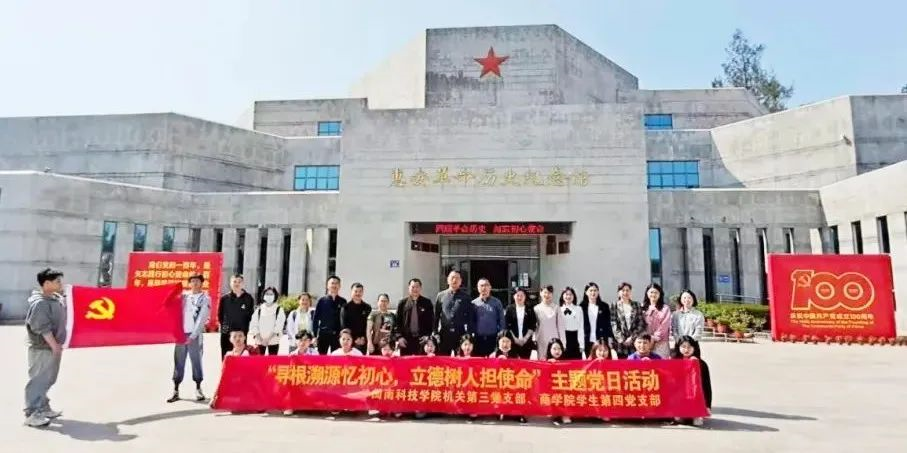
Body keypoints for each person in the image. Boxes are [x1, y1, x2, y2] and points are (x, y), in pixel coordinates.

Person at [23, 268, 66, 428]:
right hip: (42, 348)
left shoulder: (54, 299)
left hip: (53, 347)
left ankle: (43, 407)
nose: (61, 284)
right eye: (57, 282)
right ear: (47, 284)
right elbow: (42, 327)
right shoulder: (40, 303)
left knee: (48, 379)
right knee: (38, 380)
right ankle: (32, 413)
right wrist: (54, 345)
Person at [168, 274, 211, 403]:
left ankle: (198, 388)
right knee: (178, 361)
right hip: (181, 334)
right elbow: (170, 306)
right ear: (189, 283)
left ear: (201, 283)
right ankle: (176, 389)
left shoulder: (205, 298)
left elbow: (202, 317)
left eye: (197, 281)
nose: (195, 283)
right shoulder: (184, 296)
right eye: (192, 281)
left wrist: (193, 335)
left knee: (196, 361)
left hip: (194, 335)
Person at [672, 335, 711, 426]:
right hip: (680, 396)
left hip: (695, 395)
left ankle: (697, 414)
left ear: (694, 348)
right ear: (678, 348)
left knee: (697, 422)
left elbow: (707, 386)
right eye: (683, 347)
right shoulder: (674, 362)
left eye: (689, 347)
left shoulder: (702, 364)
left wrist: (707, 406)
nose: (686, 349)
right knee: (679, 419)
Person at [435, 271, 476, 356]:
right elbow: (436, 316)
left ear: (460, 281)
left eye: (457, 278)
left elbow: (470, 317)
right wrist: (435, 332)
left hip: (460, 334)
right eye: (452, 278)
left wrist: (469, 333)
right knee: (443, 359)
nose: (454, 280)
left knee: (460, 359)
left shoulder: (466, 297)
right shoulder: (440, 296)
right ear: (448, 280)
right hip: (444, 334)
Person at [217, 274, 255, 359]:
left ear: (243, 284)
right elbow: (220, 315)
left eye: (239, 282)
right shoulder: (224, 298)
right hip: (227, 332)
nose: (237, 284)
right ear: (230, 283)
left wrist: (245, 329)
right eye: (234, 281)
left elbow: (250, 315)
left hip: (241, 333)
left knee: (241, 356)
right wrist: (225, 327)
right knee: (226, 356)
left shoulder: (248, 298)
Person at [396, 278, 435, 356]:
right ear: (409, 288)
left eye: (417, 287)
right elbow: (397, 322)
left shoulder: (427, 303)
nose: (415, 289)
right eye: (413, 287)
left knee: (421, 362)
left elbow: (431, 321)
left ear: (420, 288)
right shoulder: (402, 303)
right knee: (406, 362)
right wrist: (399, 337)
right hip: (406, 340)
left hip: (422, 339)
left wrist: (427, 336)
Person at [610, 282, 647, 358]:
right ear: (618, 293)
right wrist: (622, 339)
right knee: (621, 364)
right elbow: (613, 324)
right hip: (620, 344)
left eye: (627, 290)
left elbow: (640, 323)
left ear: (630, 292)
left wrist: (632, 338)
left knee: (635, 363)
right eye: (623, 290)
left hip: (635, 342)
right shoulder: (614, 305)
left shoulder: (636, 305)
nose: (625, 292)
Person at [314, 276, 346, 355]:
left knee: (336, 358)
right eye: (332, 283)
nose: (334, 285)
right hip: (323, 334)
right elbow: (316, 319)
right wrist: (314, 335)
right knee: (321, 357)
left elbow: (345, 319)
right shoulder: (322, 301)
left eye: (336, 283)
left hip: (337, 335)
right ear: (327, 286)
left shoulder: (343, 301)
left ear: (339, 286)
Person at [472, 278, 505, 357]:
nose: (484, 288)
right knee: (479, 362)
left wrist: (502, 336)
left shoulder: (497, 302)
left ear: (490, 287)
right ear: (478, 288)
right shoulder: (473, 303)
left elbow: (501, 320)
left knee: (493, 362)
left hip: (493, 338)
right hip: (478, 339)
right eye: (481, 285)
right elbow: (471, 321)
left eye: (486, 285)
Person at [248, 286, 286, 355]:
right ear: (263, 296)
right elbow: (254, 325)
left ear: (275, 296)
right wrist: (261, 339)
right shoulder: (259, 309)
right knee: (259, 360)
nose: (269, 296)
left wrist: (267, 339)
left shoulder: (279, 310)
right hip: (260, 341)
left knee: (272, 361)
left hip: (273, 340)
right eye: (267, 294)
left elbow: (278, 326)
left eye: (271, 294)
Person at [580, 282, 614, 357]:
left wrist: (610, 339)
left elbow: (608, 324)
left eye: (595, 290)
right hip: (587, 340)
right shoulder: (581, 307)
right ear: (586, 292)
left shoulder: (604, 306)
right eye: (591, 290)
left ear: (598, 292)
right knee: (589, 361)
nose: (593, 293)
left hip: (601, 340)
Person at [534, 285, 566, 360]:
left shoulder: (556, 308)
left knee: (554, 361)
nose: (547, 295)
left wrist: (563, 342)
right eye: (545, 292)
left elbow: (560, 327)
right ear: (540, 293)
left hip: (554, 340)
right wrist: (534, 339)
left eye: (549, 293)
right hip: (541, 339)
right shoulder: (536, 308)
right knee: (542, 361)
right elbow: (534, 326)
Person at [504, 287, 537, 359]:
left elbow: (532, 325)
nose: (519, 297)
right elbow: (507, 326)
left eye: (522, 295)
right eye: (517, 295)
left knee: (525, 362)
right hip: (513, 342)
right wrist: (515, 339)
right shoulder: (509, 309)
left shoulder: (530, 309)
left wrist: (525, 339)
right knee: (513, 362)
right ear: (514, 296)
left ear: (525, 297)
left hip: (527, 342)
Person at [642, 283, 672, 358]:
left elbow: (664, 326)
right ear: (647, 293)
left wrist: (653, 338)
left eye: (656, 292)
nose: (653, 294)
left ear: (660, 294)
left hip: (661, 343)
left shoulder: (665, 308)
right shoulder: (642, 307)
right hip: (645, 342)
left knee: (660, 363)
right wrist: (647, 339)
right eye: (651, 292)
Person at [545, 338, 570, 425]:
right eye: (554, 349)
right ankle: (557, 414)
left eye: (559, 348)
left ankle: (564, 414)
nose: (557, 351)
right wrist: (549, 364)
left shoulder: (566, 361)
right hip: (551, 389)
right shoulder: (545, 362)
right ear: (549, 350)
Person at [342, 282, 372, 355]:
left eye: (360, 291)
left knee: (361, 361)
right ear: (351, 292)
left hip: (363, 341)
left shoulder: (367, 307)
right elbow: (344, 325)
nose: (358, 293)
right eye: (355, 291)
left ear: (363, 292)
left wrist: (363, 338)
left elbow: (369, 326)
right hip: (349, 341)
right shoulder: (345, 307)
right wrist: (354, 338)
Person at [559, 287, 584, 359]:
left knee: (576, 361)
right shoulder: (559, 309)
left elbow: (581, 327)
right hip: (563, 336)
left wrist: (581, 344)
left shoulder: (579, 309)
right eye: (566, 294)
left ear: (574, 296)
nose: (568, 296)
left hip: (575, 337)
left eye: (570, 294)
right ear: (562, 296)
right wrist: (562, 343)